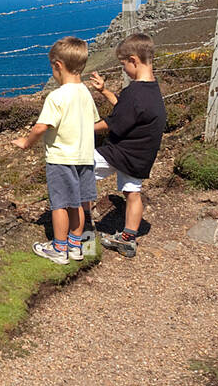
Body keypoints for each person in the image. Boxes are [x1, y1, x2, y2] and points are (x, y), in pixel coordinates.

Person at [12, 37, 99, 264]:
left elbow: (42, 126)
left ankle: (59, 249)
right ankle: (76, 246)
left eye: (52, 67)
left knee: (59, 204)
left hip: (61, 158)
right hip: (84, 157)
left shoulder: (56, 96)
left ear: (58, 66)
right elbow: (92, 122)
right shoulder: (86, 93)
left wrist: (26, 142)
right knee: (79, 202)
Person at [86, 33, 167, 258]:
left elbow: (113, 123)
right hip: (141, 154)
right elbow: (127, 110)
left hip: (121, 151)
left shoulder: (135, 91)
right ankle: (128, 239)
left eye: (124, 65)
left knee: (80, 168)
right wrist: (104, 91)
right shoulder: (151, 89)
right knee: (133, 193)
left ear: (133, 60)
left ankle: (81, 227)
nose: (124, 70)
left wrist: (81, 128)